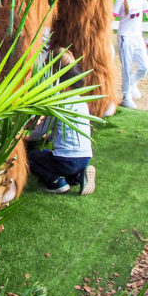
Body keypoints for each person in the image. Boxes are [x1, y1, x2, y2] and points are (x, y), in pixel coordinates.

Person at [26, 50, 96, 195]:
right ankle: (78, 176)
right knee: (51, 156)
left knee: (32, 158)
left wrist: (26, 135)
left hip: (65, 160)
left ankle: (56, 181)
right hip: (85, 157)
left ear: (62, 85)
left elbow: (40, 132)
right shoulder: (82, 103)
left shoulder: (58, 104)